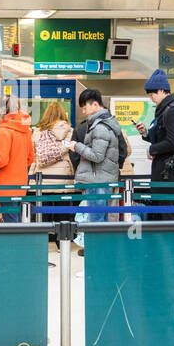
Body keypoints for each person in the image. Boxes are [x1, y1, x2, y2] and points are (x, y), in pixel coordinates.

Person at [65, 88, 121, 246]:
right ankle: (101, 262)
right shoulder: (107, 124)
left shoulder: (100, 127)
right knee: (101, 223)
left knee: (95, 224)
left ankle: (96, 264)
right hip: (103, 179)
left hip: (97, 181)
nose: (83, 112)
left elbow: (97, 156)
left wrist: (77, 146)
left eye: (85, 107)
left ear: (95, 105)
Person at [134, 69, 174, 219]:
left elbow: (172, 141)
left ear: (162, 90)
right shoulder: (164, 110)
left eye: (152, 95)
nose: (151, 99)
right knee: (159, 217)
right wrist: (145, 133)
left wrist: (151, 150)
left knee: (167, 218)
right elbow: (162, 137)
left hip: (169, 174)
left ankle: (171, 243)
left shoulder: (173, 110)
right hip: (163, 172)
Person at [0, 95, 34, 223]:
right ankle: (18, 242)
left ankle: (14, 243)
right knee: (16, 218)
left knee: (10, 221)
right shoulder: (26, 129)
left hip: (6, 184)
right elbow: (30, 158)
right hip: (21, 183)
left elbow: (1, 159)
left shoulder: (4, 130)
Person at [32, 101, 74, 220]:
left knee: (43, 214)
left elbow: (34, 155)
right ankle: (62, 238)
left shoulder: (38, 132)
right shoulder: (70, 132)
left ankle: (44, 237)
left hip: (43, 179)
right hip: (63, 179)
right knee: (63, 213)